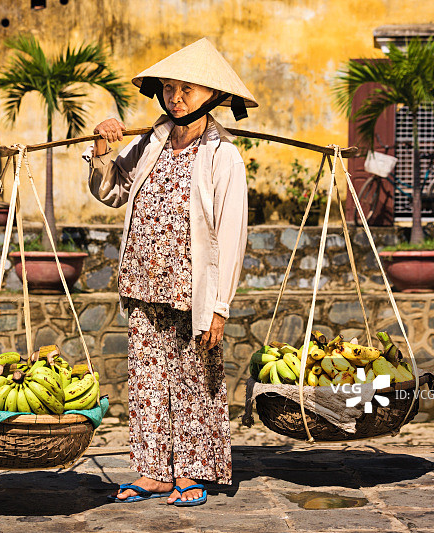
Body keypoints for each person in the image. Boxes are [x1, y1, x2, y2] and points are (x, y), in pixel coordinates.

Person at [83, 38, 255, 507]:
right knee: (149, 381)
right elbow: (112, 192)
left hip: (191, 289)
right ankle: (155, 471)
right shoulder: (150, 144)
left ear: (213, 95)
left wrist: (219, 306)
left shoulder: (222, 156)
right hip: (143, 283)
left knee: (194, 380)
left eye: (187, 89)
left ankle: (194, 471)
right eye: (168, 88)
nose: (175, 98)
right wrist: (102, 148)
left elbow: (232, 235)